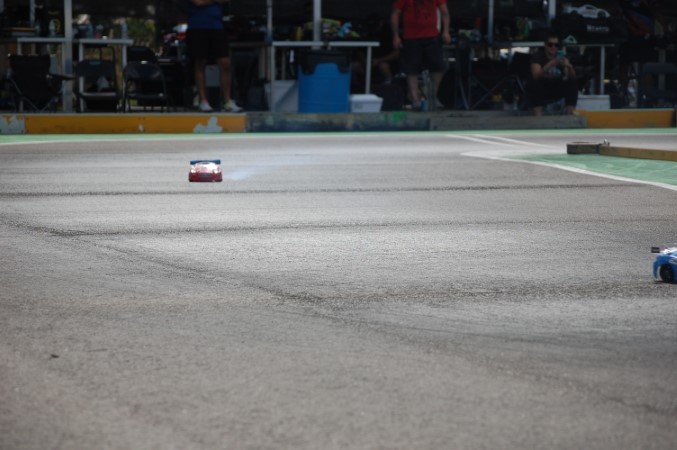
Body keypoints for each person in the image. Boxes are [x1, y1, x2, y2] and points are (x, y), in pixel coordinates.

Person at [391, 0, 451, 110]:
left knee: (439, 66)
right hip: (411, 37)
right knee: (412, 68)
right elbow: (395, 13)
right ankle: (415, 99)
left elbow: (445, 12)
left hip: (432, 35)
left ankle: (430, 94)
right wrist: (396, 35)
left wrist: (446, 31)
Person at [184, 0, 242, 112]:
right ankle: (203, 100)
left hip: (217, 26)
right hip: (197, 26)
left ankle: (227, 101)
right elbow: (198, 2)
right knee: (200, 63)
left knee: (225, 62)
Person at [529, 32, 578, 116]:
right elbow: (535, 75)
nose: (553, 47)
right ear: (545, 45)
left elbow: (572, 76)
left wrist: (569, 66)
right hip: (543, 86)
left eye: (556, 45)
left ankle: (570, 114)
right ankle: (537, 116)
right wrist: (550, 64)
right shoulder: (537, 56)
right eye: (550, 45)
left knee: (572, 82)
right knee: (535, 83)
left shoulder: (561, 56)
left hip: (556, 86)